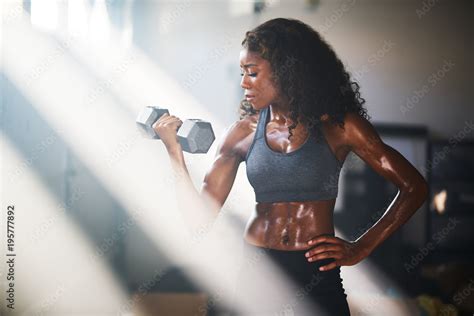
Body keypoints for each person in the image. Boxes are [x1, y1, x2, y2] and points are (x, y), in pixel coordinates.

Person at [153, 18, 429, 316]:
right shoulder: (242, 133)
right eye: (243, 73)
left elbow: (414, 187)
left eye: (253, 73)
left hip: (315, 268)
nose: (244, 83)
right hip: (257, 267)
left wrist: (361, 247)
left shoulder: (341, 127)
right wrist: (173, 152)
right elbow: (198, 220)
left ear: (288, 72)